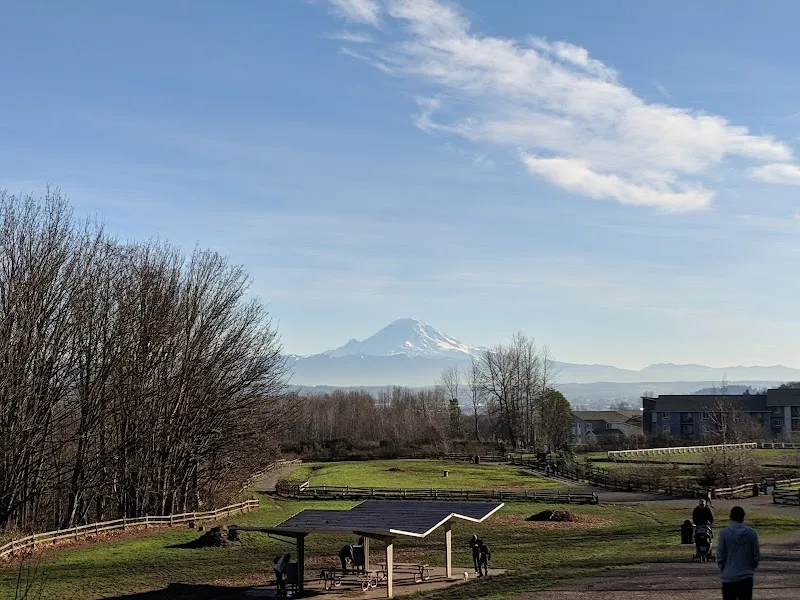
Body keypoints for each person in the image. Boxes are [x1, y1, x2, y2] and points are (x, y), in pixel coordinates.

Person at [716, 506, 759, 600]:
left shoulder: (724, 533)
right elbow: (755, 555)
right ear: (743, 517)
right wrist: (751, 567)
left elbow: (720, 555)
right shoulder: (752, 533)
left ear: (730, 517)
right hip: (746, 575)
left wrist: (723, 568)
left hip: (729, 576)